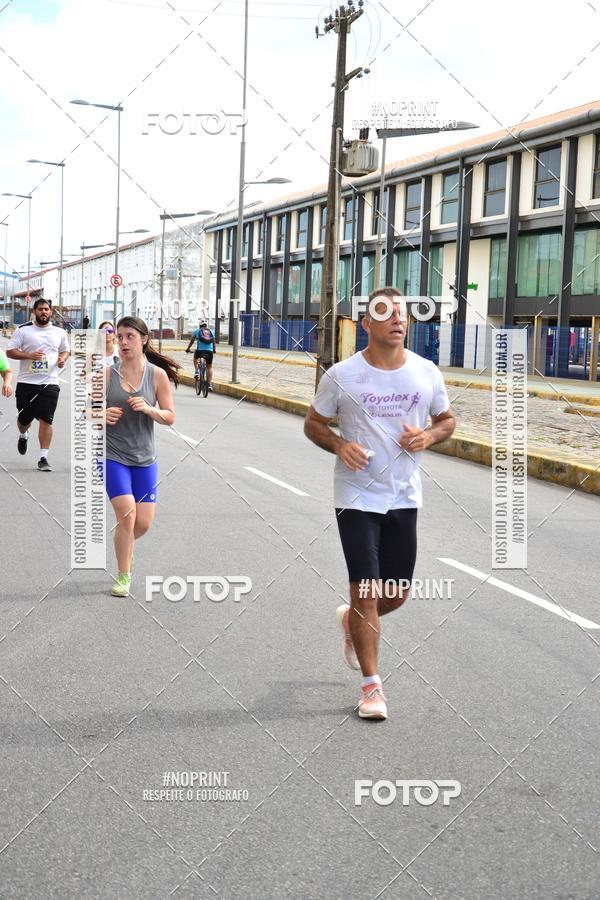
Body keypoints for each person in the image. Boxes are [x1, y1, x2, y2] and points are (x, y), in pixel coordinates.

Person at [304, 286, 456, 721]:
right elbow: (313, 424)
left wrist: (428, 436)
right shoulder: (342, 375)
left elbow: (446, 421)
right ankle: (372, 687)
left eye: (402, 313)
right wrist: (338, 445)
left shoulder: (426, 372)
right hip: (356, 495)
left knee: (395, 595)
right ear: (366, 324)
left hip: (404, 497)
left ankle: (352, 622)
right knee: (366, 591)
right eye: (385, 313)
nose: (397, 320)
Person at [102, 316, 180, 597]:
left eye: (129, 336)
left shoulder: (156, 375)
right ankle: (124, 575)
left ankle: (125, 547)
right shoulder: (108, 374)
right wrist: (100, 414)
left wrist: (149, 409)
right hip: (112, 455)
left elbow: (170, 416)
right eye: (119, 337)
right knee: (127, 516)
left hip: (145, 458)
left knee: (142, 524)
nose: (123, 342)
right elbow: (84, 412)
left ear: (144, 339)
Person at [6, 298, 70, 472]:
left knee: (46, 419)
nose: (44, 312)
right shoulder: (23, 330)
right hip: (27, 382)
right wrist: (29, 356)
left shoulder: (59, 332)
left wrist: (62, 359)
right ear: (34, 311)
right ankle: (23, 434)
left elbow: (65, 349)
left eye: (47, 309)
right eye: (40, 309)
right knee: (24, 419)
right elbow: (10, 351)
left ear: (51, 312)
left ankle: (43, 457)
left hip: (49, 382)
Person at [185, 319, 216, 390]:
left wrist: (188, 348)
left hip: (200, 351)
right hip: (209, 352)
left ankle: (196, 371)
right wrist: (214, 350)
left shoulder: (197, 331)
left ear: (200, 325)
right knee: (209, 367)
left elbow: (192, 341)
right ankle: (210, 384)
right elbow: (214, 342)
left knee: (195, 359)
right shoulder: (211, 331)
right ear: (206, 325)